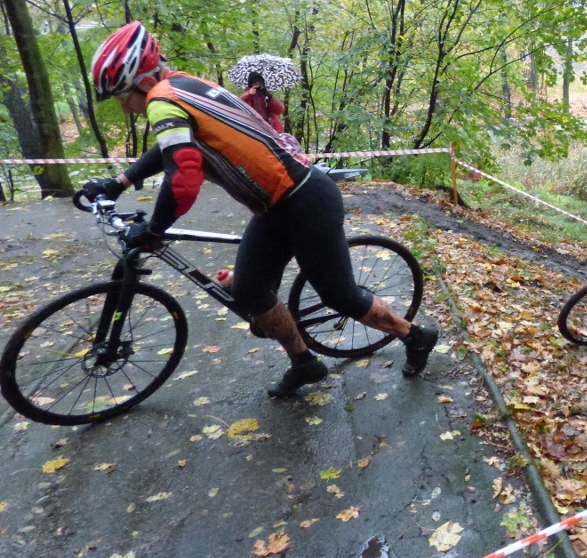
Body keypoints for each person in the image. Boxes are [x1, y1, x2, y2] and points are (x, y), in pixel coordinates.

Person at [83, 21, 438, 397]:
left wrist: (154, 230)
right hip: (276, 206)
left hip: (306, 201)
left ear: (141, 82)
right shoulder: (184, 85)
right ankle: (305, 363)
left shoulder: (162, 99)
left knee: (341, 296)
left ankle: (415, 335)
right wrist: (118, 182)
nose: (123, 107)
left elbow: (183, 177)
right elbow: (172, 147)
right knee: (250, 293)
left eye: (122, 96)